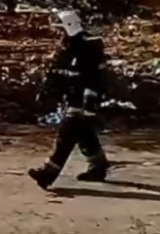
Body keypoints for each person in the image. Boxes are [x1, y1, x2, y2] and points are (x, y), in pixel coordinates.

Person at [28, 10, 112, 189]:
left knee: (66, 136)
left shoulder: (88, 49)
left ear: (69, 27)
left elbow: (96, 79)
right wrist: (46, 91)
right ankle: (98, 166)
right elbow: (57, 74)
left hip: (81, 101)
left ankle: (47, 174)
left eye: (60, 30)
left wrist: (90, 104)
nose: (57, 34)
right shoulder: (66, 49)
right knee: (83, 133)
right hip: (71, 98)